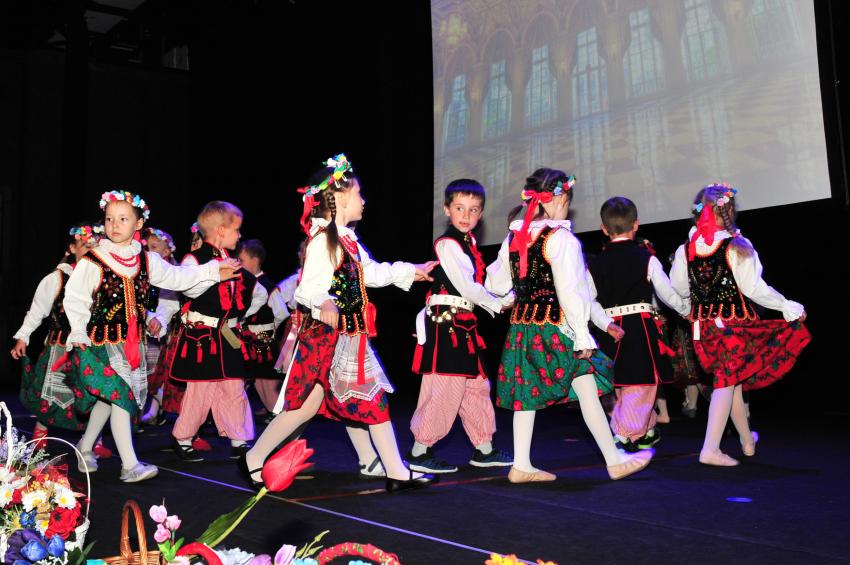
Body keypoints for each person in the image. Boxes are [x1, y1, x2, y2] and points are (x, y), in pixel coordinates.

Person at [241, 154, 437, 493]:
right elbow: (306, 289)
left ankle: (254, 457)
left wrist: (410, 270)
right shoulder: (323, 240)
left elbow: (370, 273)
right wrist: (325, 301)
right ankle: (394, 470)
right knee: (317, 406)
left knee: (329, 404)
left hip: (346, 336)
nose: (363, 200)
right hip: (327, 338)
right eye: (358, 193)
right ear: (341, 197)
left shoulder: (346, 238)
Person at [485, 168, 653, 483]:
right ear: (561, 198)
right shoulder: (562, 239)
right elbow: (572, 293)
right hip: (556, 327)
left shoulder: (515, 237)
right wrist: (582, 337)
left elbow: (495, 282)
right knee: (585, 384)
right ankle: (613, 460)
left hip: (523, 327)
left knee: (530, 392)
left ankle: (523, 463)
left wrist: (514, 295)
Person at [64, 190, 239, 482]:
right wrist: (79, 330)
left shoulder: (146, 260)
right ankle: (130, 465)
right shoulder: (94, 260)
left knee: (109, 399)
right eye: (109, 219)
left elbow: (177, 278)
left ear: (138, 224)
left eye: (123, 219)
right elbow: (76, 297)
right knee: (121, 398)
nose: (114, 225)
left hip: (132, 343)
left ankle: (85, 446)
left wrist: (211, 271)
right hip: (102, 342)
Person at [669, 183, 811, 466]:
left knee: (730, 382)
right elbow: (754, 288)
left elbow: (680, 288)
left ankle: (747, 441)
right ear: (729, 211)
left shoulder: (687, 250)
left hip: (704, 330)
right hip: (731, 327)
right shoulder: (736, 246)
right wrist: (787, 307)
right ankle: (710, 449)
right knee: (727, 382)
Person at [408, 178, 512, 473]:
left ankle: (484, 449)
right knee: (444, 387)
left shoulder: (468, 245)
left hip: (463, 325)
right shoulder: (448, 244)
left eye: (473, 210)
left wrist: (506, 290)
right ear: (446, 209)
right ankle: (420, 450)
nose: (466, 215)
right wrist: (498, 303)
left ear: (481, 213)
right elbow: (467, 287)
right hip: (447, 324)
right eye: (459, 208)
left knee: (475, 386)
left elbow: (482, 283)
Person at [154, 201, 268, 462]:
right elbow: (184, 289)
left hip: (227, 334)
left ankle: (238, 439)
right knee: (201, 389)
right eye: (236, 230)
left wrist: (239, 315)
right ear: (220, 230)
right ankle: (183, 437)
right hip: (201, 336)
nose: (239, 235)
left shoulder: (233, 263)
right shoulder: (194, 259)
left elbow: (258, 293)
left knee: (234, 385)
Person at [587, 197, 690, 452]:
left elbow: (588, 301)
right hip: (639, 329)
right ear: (636, 225)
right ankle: (624, 434)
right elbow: (667, 293)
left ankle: (646, 430)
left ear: (603, 228)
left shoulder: (594, 263)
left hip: (609, 330)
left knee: (621, 384)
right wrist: (687, 309)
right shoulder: (646, 258)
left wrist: (606, 323)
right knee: (642, 384)